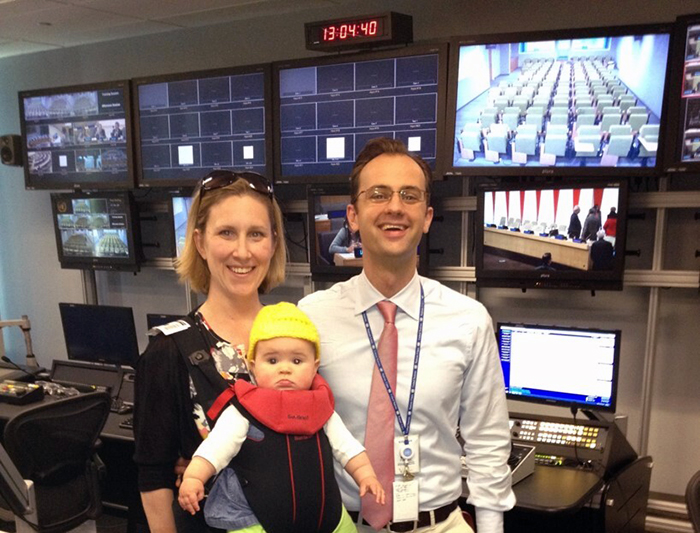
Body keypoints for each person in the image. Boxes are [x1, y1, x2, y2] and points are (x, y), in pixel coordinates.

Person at [299, 138, 515, 533]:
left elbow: (488, 442)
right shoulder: (312, 317)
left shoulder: (469, 320)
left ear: (427, 216)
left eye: (409, 196)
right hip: (341, 524)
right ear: (353, 214)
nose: (394, 207)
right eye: (378, 194)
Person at [133, 170, 287, 533]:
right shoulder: (167, 351)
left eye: (256, 234)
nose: (243, 251)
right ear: (200, 243)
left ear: (274, 243)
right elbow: (154, 476)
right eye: (226, 233)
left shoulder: (294, 336)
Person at [178, 302, 385, 533]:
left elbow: (348, 448)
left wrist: (365, 475)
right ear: (253, 366)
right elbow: (215, 449)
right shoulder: (242, 411)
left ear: (315, 366)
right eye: (272, 360)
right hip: (256, 520)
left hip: (327, 517)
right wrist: (194, 477)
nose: (284, 369)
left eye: (297, 361)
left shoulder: (322, 410)